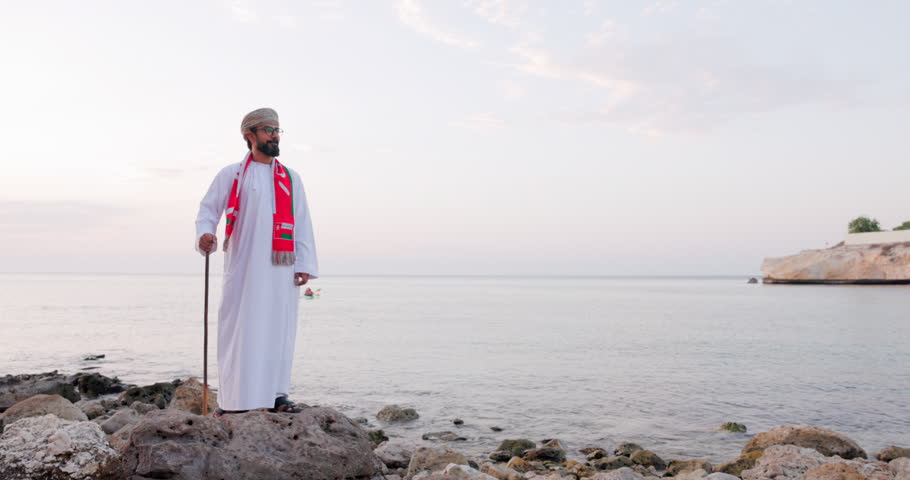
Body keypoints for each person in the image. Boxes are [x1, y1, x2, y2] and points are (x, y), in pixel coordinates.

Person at [195, 107, 318, 416]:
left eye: (277, 130)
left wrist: (304, 262)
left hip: (281, 268)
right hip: (244, 267)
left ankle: (277, 395)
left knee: (279, 328)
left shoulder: (291, 178)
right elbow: (208, 210)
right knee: (240, 329)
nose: (274, 136)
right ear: (250, 136)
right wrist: (205, 234)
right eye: (268, 130)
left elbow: (302, 221)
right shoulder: (232, 174)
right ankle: (234, 400)